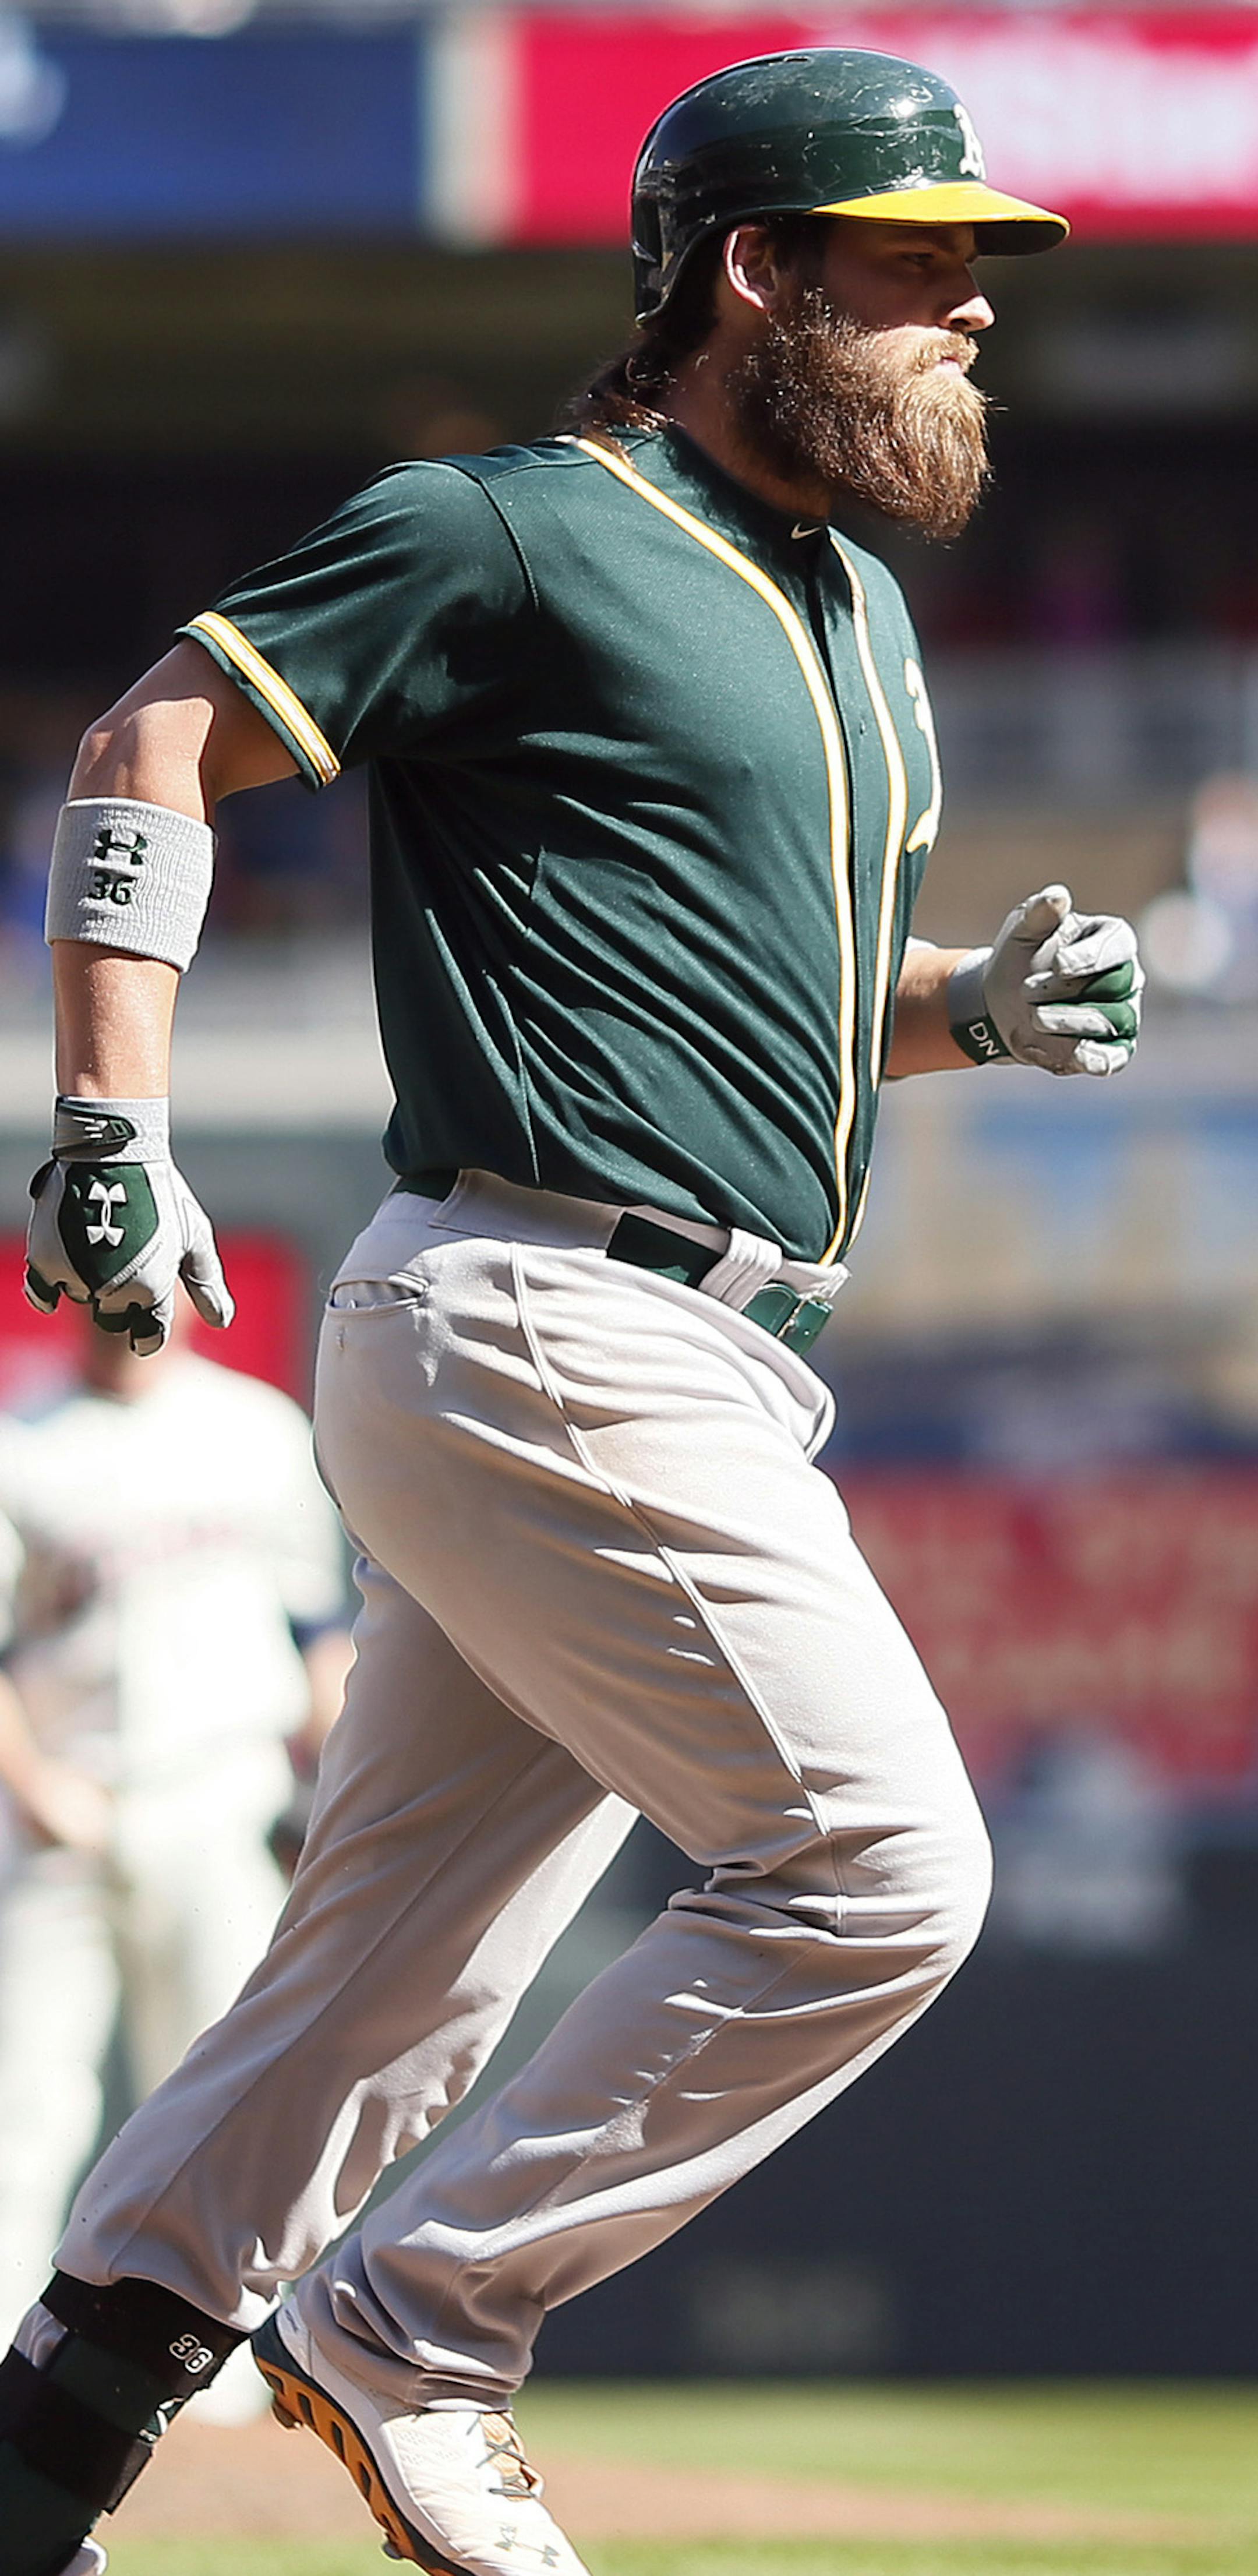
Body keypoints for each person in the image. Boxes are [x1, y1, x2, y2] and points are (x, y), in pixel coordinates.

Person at [2, 46, 1144, 2576]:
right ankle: (412, 2331)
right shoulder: (514, 527)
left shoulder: (856, 613)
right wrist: (108, 1124)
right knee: (873, 1865)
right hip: (546, 1305)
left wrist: (967, 1005)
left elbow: (762, 995)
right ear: (755, 270)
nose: (971, 305)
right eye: (917, 256)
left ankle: (39, 2462)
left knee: (376, 1997)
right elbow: (155, 731)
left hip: (683, 1338)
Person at [0, 1303, 350, 2416]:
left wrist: (329, 1789)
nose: (123, 1317)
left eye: (141, 1293)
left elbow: (317, 1635)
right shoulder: (21, 1436)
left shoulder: (260, 1430)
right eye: (104, 1292)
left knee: (212, 2103)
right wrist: (33, 1786)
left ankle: (225, 2388)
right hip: (70, 1794)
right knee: (24, 2106)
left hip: (220, 1790)